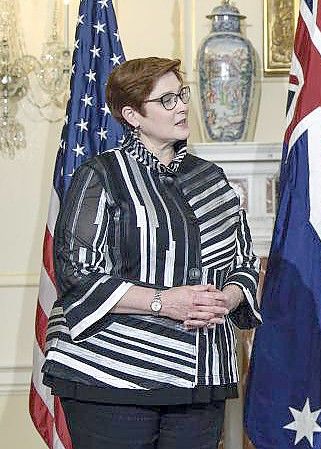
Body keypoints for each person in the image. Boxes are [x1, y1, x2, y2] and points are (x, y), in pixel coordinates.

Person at [42, 57, 261, 449]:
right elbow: (77, 274)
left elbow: (244, 261)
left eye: (182, 94)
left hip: (201, 373)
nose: (181, 106)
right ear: (132, 115)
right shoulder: (100, 175)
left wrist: (223, 301)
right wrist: (165, 302)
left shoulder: (210, 177)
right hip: (111, 374)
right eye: (167, 100)